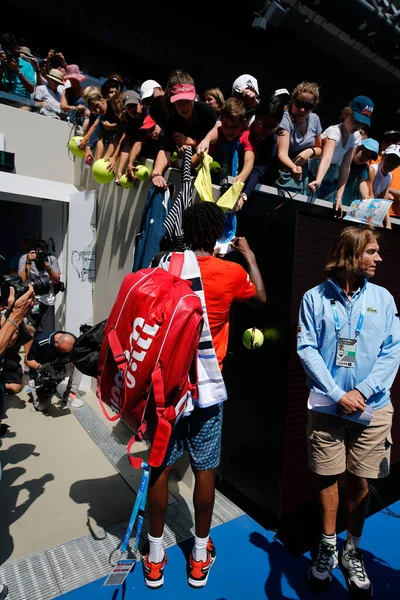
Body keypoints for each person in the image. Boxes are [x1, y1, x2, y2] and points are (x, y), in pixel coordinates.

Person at [144, 202, 266, 589]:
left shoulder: (164, 266)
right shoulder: (230, 273)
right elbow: (260, 297)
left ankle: (155, 556)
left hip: (166, 389)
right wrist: (247, 256)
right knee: (205, 470)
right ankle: (198, 557)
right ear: (218, 233)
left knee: (160, 469)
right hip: (207, 391)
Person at [297, 225, 400, 596]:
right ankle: (327, 546)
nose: (378, 258)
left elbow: (392, 350)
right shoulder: (314, 299)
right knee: (327, 477)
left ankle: (352, 548)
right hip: (327, 406)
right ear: (351, 253)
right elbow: (307, 349)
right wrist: (338, 393)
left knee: (360, 481)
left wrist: (363, 390)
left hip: (372, 409)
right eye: (371, 251)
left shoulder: (384, 299)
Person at [308, 96, 374, 216]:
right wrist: (318, 180)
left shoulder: (356, 137)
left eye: (362, 124)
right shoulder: (334, 132)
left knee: (323, 215)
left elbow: (345, 165)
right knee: (307, 210)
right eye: (356, 121)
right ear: (347, 114)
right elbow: (327, 158)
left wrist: (339, 197)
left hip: (332, 179)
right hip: (313, 174)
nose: (358, 126)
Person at [151, 70, 217, 189]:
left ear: (194, 97)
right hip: (185, 172)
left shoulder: (206, 113)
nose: (184, 106)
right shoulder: (172, 119)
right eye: (179, 102)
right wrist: (157, 173)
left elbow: (216, 139)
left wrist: (192, 143)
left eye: (187, 100)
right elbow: (166, 148)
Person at [275, 81, 322, 195]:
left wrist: (309, 152)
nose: (302, 110)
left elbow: (319, 149)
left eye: (308, 106)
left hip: (303, 175)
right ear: (292, 101)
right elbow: (282, 153)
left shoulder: (315, 119)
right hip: (284, 172)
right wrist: (294, 168)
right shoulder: (285, 119)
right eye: (299, 104)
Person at [0, 284, 35, 436]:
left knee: (14, 388)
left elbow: (29, 332)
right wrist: (14, 315)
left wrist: (14, 314)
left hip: (8, 355)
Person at [26, 330, 83, 407]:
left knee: (79, 362)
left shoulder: (73, 341)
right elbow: (28, 360)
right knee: (42, 406)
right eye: (61, 351)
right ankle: (38, 390)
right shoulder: (41, 341)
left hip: (58, 367)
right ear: (55, 342)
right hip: (42, 370)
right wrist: (40, 368)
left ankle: (70, 393)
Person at [18, 239, 61, 334]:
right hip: (30, 300)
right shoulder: (24, 258)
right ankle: (29, 350)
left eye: (43, 251)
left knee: (47, 333)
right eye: (38, 252)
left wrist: (48, 269)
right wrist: (28, 262)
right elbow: (23, 280)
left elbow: (57, 280)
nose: (40, 255)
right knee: (29, 331)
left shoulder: (51, 259)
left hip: (47, 301)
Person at [368, 144, 400, 228]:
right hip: (363, 209)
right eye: (388, 160)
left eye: (394, 163)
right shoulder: (372, 170)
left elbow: (384, 202)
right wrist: (377, 221)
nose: (390, 165)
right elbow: (370, 197)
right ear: (383, 157)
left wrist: (388, 224)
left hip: (371, 213)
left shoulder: (389, 177)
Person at [342, 138, 379, 206]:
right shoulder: (342, 159)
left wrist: (365, 195)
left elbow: (363, 182)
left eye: (368, 157)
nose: (364, 158)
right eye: (364, 152)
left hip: (344, 204)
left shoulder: (363, 168)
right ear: (358, 148)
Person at [0, 33, 35, 99]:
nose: (9, 52)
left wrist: (17, 71)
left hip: (21, 101)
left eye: (11, 49)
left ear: (16, 47)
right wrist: (2, 66)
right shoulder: (1, 63)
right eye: (6, 49)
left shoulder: (27, 66)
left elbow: (31, 90)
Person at [60, 64, 87, 130]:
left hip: (84, 124)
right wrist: (75, 108)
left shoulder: (86, 91)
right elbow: (62, 106)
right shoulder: (67, 91)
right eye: (71, 79)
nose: (73, 81)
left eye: (75, 79)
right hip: (70, 123)